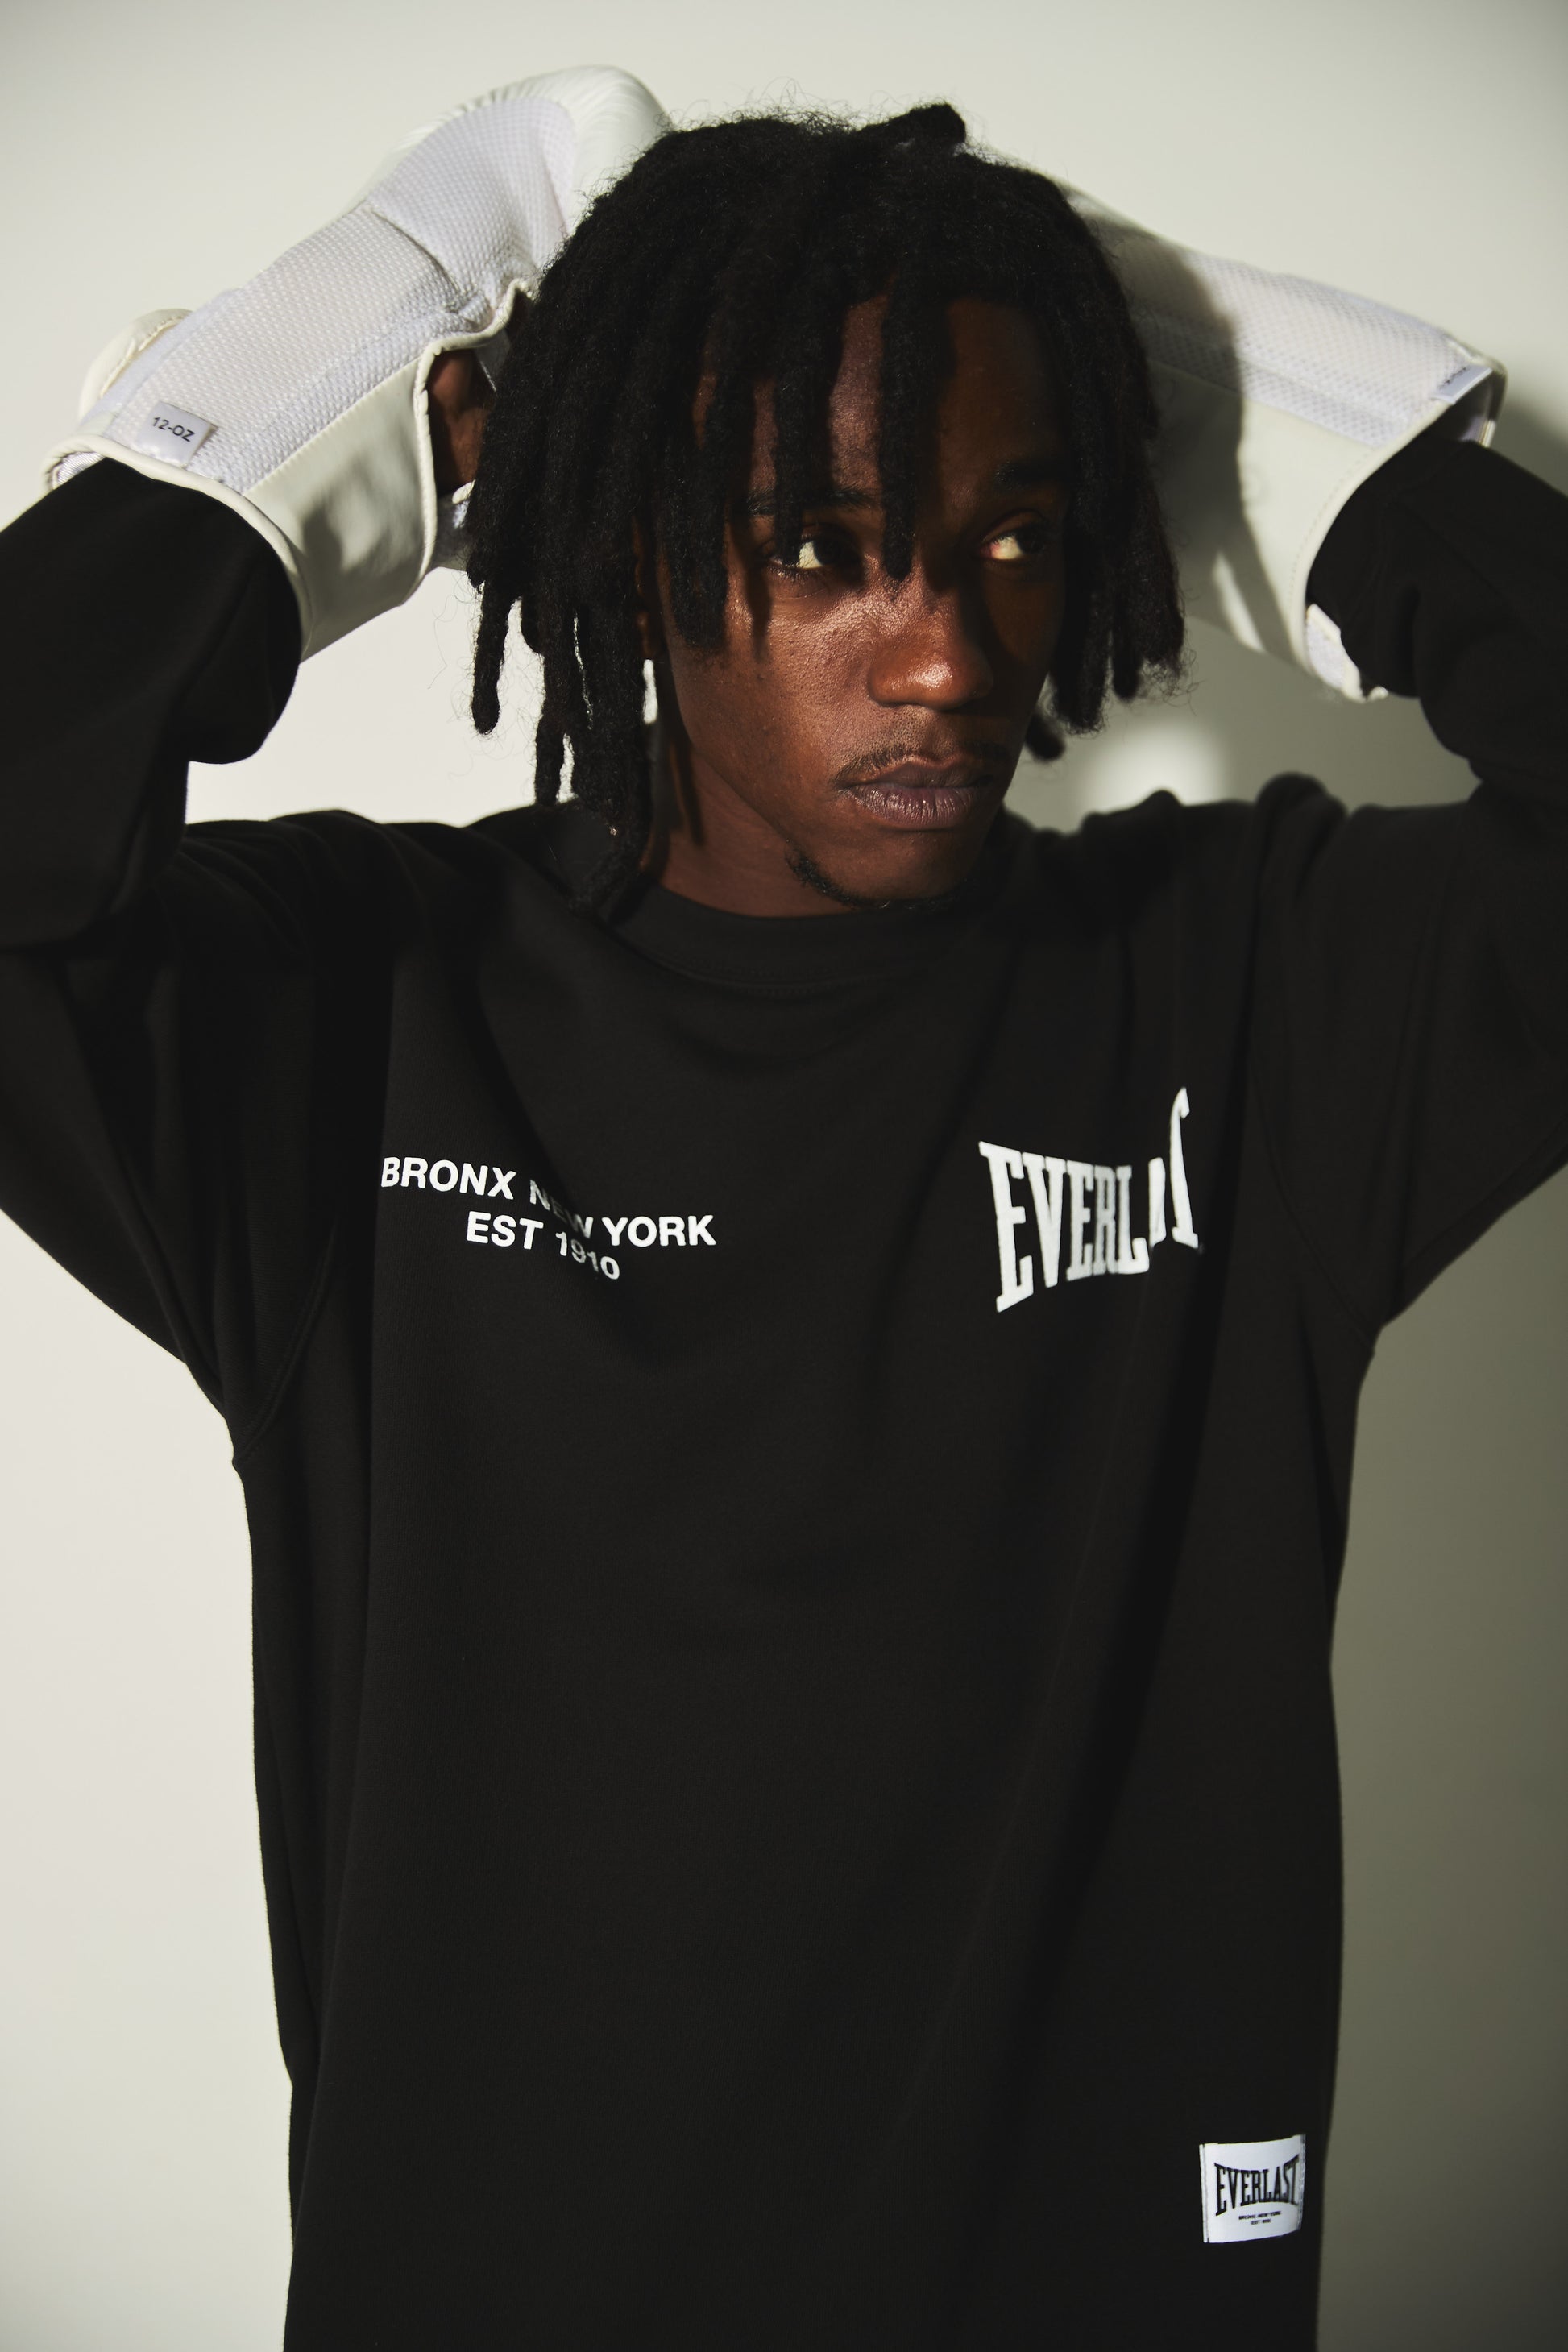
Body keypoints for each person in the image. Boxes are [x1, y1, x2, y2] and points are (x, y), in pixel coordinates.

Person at [1, 67, 1562, 2349]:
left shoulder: (1252, 992)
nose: (946, 653)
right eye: (826, 546)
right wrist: (336, 394)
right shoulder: (356, 1016)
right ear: (622, 541)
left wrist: (1208, 372)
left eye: (1018, 532)